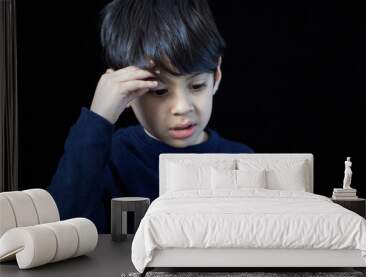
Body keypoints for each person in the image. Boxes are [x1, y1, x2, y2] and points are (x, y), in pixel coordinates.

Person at [47, 0, 255, 233]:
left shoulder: (242, 160)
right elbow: (62, 230)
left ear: (216, 75)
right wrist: (98, 117)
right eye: (159, 91)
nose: (181, 107)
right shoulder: (108, 157)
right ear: (126, 88)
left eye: (196, 86)